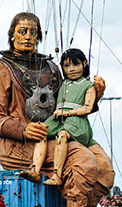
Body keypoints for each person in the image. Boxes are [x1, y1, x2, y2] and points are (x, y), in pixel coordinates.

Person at [0, 11, 115, 206]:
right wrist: (24, 129)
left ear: (39, 36)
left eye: (33, 32)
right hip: (19, 146)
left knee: (105, 168)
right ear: (12, 35)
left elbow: (68, 101)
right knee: (83, 161)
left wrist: (95, 95)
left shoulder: (51, 67)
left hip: (58, 134)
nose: (28, 37)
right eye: (22, 31)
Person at [19, 48, 99, 185]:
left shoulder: (88, 85)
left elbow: (87, 108)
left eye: (76, 65)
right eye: (67, 66)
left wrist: (66, 113)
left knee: (62, 135)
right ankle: (35, 170)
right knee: (40, 130)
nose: (71, 69)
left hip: (76, 121)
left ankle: (57, 175)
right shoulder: (64, 83)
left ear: (84, 64)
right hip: (58, 118)